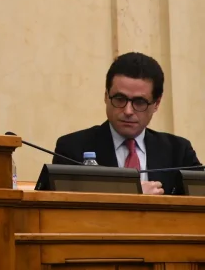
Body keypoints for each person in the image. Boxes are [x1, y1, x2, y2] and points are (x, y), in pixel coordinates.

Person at [53, 52, 200, 195]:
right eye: (120, 99)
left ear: (156, 104)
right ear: (106, 96)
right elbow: (56, 205)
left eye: (139, 102)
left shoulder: (179, 152)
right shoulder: (72, 149)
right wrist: (133, 193)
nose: (128, 111)